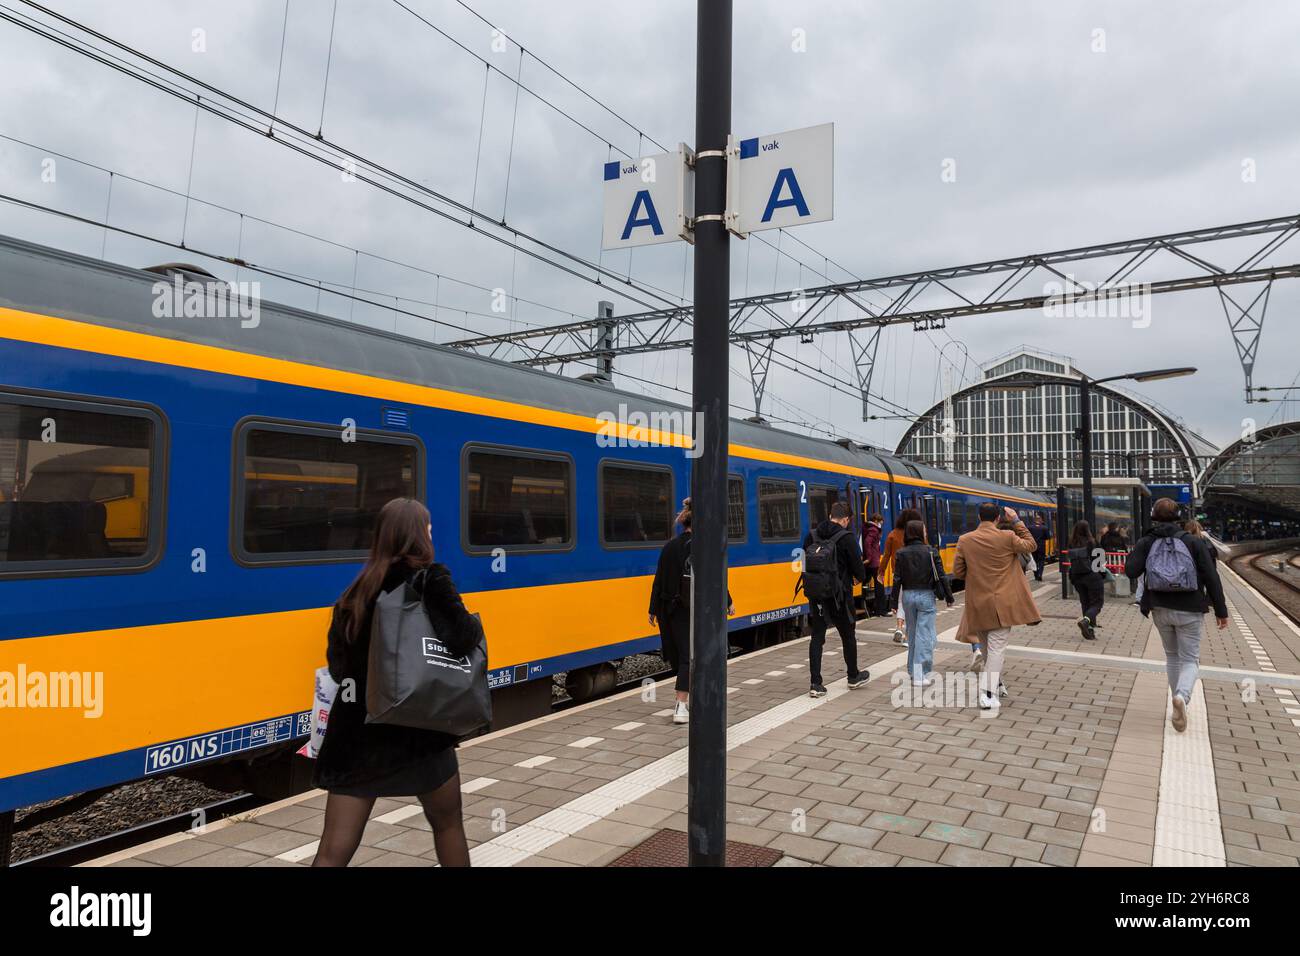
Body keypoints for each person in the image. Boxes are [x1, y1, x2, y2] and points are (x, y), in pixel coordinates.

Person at [313, 498, 478, 867]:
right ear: (419, 534)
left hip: (359, 742)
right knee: (448, 826)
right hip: (420, 734)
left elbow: (338, 667)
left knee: (332, 850)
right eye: (429, 526)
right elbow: (463, 637)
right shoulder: (431, 578)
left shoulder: (356, 592)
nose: (432, 532)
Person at [1125, 498, 1229, 733]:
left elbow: (1130, 570)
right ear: (1178, 516)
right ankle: (1182, 697)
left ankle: (1176, 702)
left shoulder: (1147, 541)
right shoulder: (1193, 541)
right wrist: (1221, 611)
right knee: (1190, 659)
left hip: (1160, 607)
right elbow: (1212, 577)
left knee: (1172, 657)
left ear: (1154, 516)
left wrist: (1140, 547)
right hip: (1190, 607)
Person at [649, 497, 734, 724]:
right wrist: (727, 601)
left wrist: (652, 610)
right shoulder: (703, 546)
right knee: (691, 656)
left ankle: (691, 698)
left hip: (671, 610)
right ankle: (681, 705)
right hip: (695, 610)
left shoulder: (669, 546)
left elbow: (658, 580)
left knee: (682, 656)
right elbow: (715, 578)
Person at [952, 502, 1042, 711]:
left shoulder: (965, 540)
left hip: (977, 603)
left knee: (986, 649)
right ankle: (987, 694)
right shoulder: (1007, 537)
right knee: (996, 650)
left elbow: (958, 572)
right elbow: (1031, 545)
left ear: (978, 517)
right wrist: (1017, 521)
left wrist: (977, 576)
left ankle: (997, 683)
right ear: (998, 519)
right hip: (1002, 603)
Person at [802, 500, 871, 697]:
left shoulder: (811, 535)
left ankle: (815, 683)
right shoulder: (846, 538)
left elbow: (804, 564)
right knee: (848, 636)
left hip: (817, 596)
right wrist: (855, 577)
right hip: (840, 596)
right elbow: (860, 571)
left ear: (831, 514)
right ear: (846, 519)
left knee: (817, 637)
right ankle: (853, 676)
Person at [890, 519, 955, 686]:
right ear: (920, 533)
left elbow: (897, 579)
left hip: (908, 596)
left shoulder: (901, 553)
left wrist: (893, 603)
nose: (926, 532)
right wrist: (949, 596)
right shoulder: (931, 552)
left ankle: (912, 671)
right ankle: (920, 675)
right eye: (924, 530)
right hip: (926, 596)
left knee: (912, 634)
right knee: (925, 636)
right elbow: (941, 575)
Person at [880, 507, 923, 644]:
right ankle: (907, 637)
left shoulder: (892, 534)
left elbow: (886, 556)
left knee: (900, 602)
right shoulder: (917, 535)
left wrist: (880, 572)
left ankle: (899, 628)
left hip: (897, 573)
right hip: (915, 573)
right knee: (912, 603)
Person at [1066, 520, 1104, 640]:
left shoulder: (1071, 543)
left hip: (1077, 577)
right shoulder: (1092, 542)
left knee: (1085, 602)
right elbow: (1100, 560)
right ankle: (1086, 621)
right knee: (1097, 603)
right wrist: (1101, 575)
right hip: (1092, 576)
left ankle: (1090, 630)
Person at [862, 512, 886, 616]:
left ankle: (866, 605)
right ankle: (881, 611)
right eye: (880, 522)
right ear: (876, 521)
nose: (881, 524)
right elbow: (868, 542)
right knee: (880, 586)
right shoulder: (874, 530)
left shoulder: (868, 528)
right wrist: (870, 557)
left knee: (865, 582)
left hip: (870, 563)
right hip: (874, 563)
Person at [1028, 514, 1049, 582]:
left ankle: (1036, 575)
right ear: (1040, 520)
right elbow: (1048, 537)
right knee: (1041, 561)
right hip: (1041, 547)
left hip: (1033, 547)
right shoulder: (1044, 528)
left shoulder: (1030, 527)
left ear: (1034, 520)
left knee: (1034, 561)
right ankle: (1040, 574)